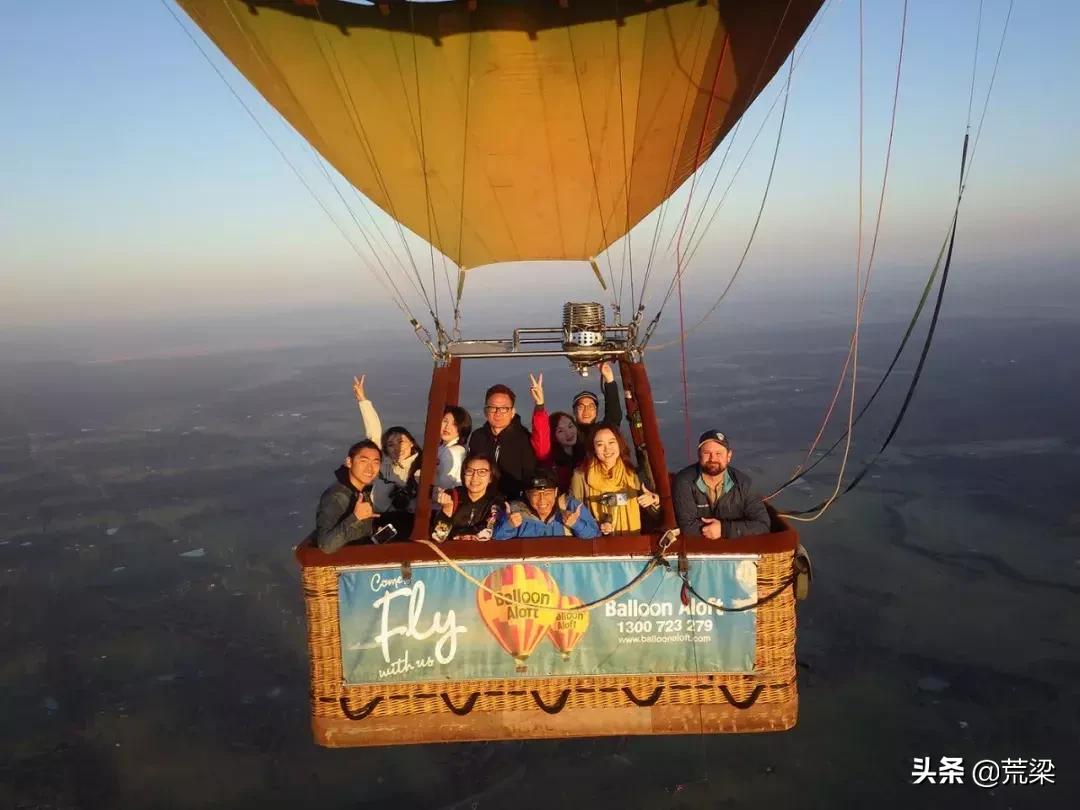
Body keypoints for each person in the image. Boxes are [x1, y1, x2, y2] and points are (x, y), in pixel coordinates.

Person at [672, 430, 771, 539]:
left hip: (735, 550)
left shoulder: (743, 484)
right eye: (707, 453)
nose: (713, 458)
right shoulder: (684, 482)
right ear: (699, 455)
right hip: (698, 550)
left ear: (729, 456)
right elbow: (686, 527)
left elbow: (763, 525)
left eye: (718, 453)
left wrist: (724, 530)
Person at [570, 423, 660, 534]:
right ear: (593, 448)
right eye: (600, 445)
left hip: (634, 542)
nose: (607, 449)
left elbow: (656, 516)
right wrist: (598, 525)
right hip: (597, 543)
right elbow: (574, 515)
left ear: (619, 444)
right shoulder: (581, 476)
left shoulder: (634, 474)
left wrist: (654, 500)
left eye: (612, 442)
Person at [468, 382, 545, 499]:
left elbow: (530, 476)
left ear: (512, 412)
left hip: (514, 503)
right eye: (493, 408)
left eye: (504, 408)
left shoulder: (524, 438)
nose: (498, 413)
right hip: (481, 501)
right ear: (485, 411)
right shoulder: (477, 437)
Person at [493, 468, 599, 539]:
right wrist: (509, 525)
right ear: (527, 494)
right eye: (536, 494)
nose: (542, 500)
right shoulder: (515, 511)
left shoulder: (570, 506)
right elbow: (496, 538)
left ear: (556, 492)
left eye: (548, 493)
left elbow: (595, 535)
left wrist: (577, 524)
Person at [314, 440, 382, 553]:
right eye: (363, 461)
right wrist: (355, 517)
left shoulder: (360, 491)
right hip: (344, 566)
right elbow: (326, 545)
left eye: (375, 463)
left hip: (362, 557)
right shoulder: (336, 497)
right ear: (349, 462)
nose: (370, 468)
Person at [432, 453, 505, 542]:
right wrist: (447, 510)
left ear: (490, 477)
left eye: (482, 472)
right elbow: (438, 537)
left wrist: (455, 534)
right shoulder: (453, 496)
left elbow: (486, 533)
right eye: (470, 471)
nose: (475, 477)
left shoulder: (497, 502)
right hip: (449, 553)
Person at [571, 362, 624, 442]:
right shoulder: (568, 434)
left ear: (596, 411)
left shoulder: (601, 432)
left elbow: (614, 416)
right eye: (581, 407)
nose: (586, 410)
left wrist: (609, 379)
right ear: (574, 411)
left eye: (591, 406)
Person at [437, 405, 471, 491]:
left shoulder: (453, 451)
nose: (447, 427)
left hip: (448, 498)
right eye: (445, 421)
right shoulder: (443, 448)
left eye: (455, 424)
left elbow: (444, 483)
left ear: (462, 428)